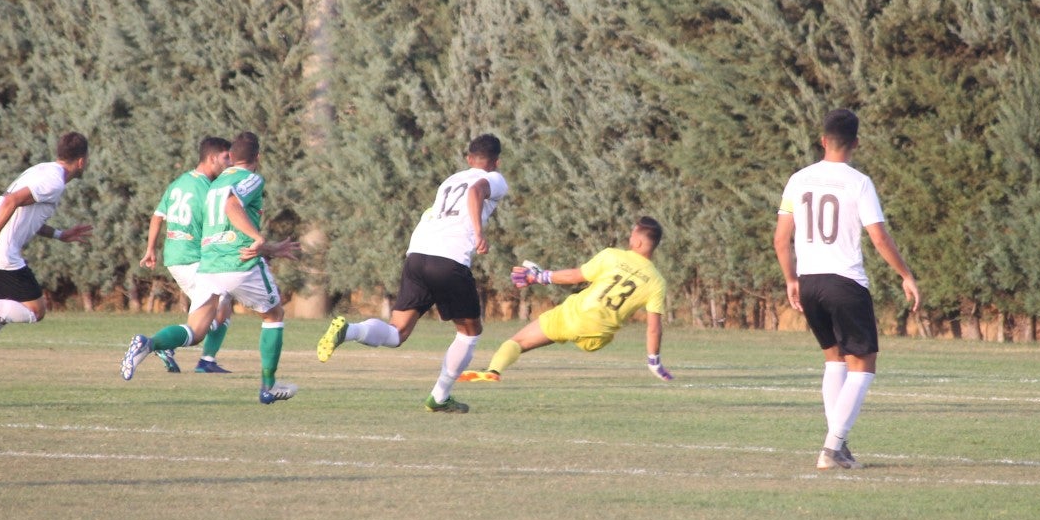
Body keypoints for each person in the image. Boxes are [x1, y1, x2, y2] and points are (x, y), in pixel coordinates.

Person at [316, 134, 507, 414]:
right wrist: (479, 233)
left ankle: (350, 331)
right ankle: (440, 397)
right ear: (497, 162)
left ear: (468, 159)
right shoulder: (495, 179)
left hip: (417, 255)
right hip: (449, 260)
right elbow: (477, 190)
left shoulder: (450, 180)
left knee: (397, 333)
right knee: (469, 332)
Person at [773, 108, 919, 471]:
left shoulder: (798, 179)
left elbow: (780, 239)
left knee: (834, 358)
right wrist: (905, 274)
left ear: (823, 140)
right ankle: (833, 448)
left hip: (809, 282)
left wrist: (792, 279)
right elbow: (879, 237)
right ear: (856, 143)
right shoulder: (859, 182)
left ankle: (838, 444)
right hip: (845, 282)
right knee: (864, 363)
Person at [120, 131, 300, 404]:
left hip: (210, 265)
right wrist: (258, 238)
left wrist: (271, 248)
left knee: (196, 331)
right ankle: (268, 386)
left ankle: (149, 343)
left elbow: (223, 223)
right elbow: (231, 207)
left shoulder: (215, 184)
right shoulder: (251, 178)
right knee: (274, 315)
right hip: (238, 263)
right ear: (258, 158)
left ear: (232, 158)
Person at [0, 132, 94, 391]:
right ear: (81, 161)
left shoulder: (45, 170)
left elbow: (27, 216)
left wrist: (60, 234)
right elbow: (10, 202)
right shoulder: (53, 182)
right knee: (35, 311)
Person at [458, 217, 672, 385]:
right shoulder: (657, 281)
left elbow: (574, 277)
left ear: (638, 241)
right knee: (598, 333)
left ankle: (493, 371)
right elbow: (654, 329)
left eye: (632, 234)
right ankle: (493, 371)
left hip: (572, 317)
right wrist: (654, 362)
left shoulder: (612, 256)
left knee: (516, 342)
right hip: (597, 336)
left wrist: (539, 276)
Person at [137, 136, 236, 374]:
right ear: (213, 158)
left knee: (223, 304)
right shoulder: (208, 189)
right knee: (217, 306)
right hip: (192, 258)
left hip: (175, 256)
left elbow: (158, 215)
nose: (230, 162)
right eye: (226, 157)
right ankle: (161, 345)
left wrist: (151, 248)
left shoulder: (179, 182)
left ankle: (204, 359)